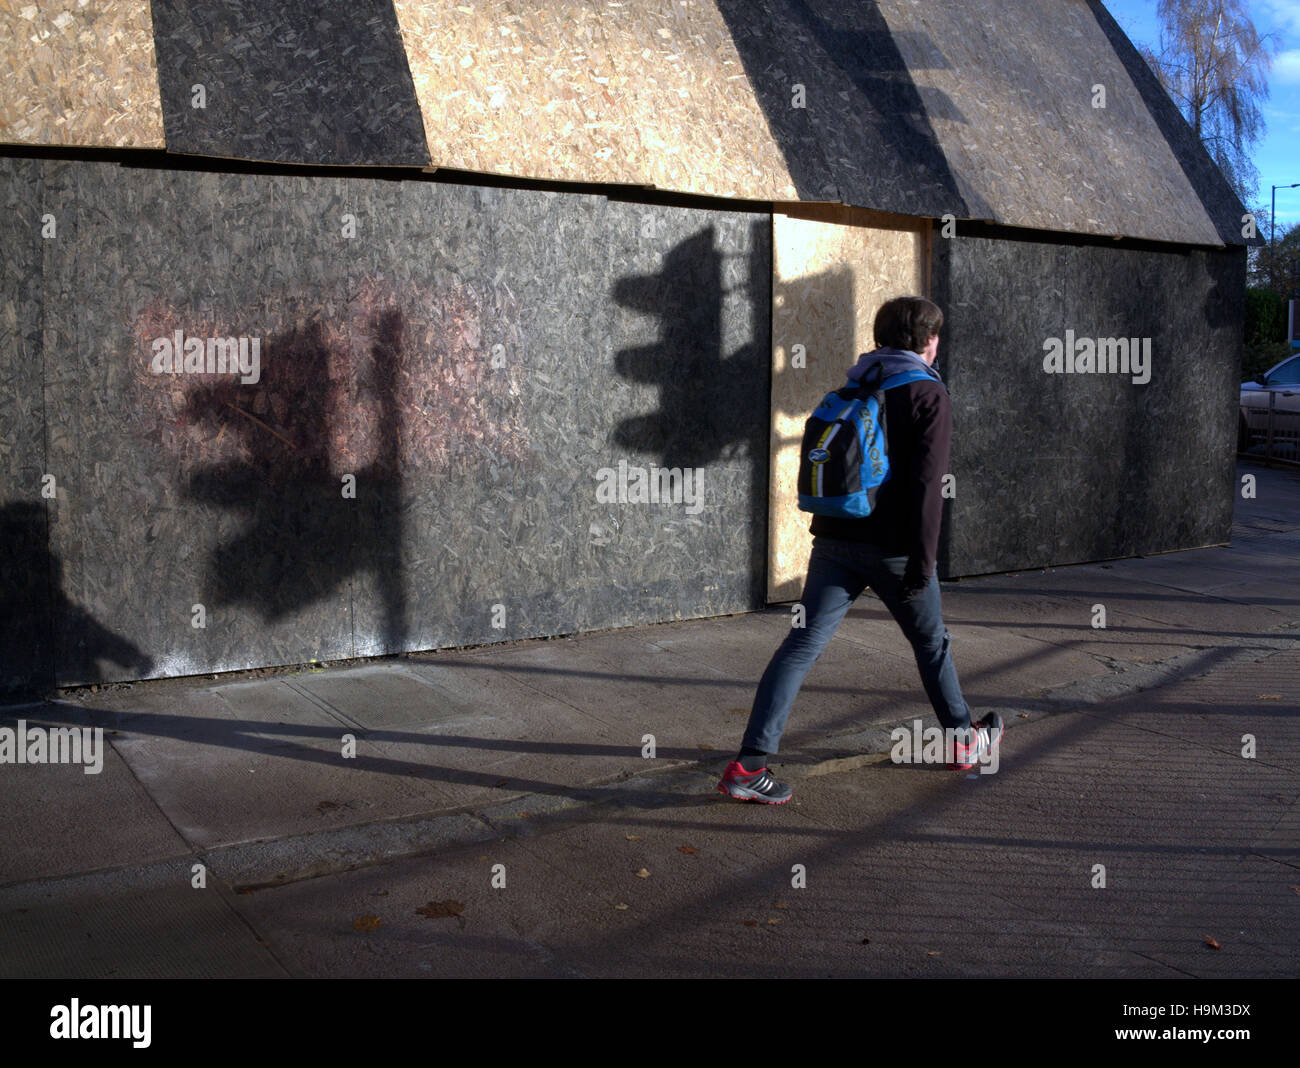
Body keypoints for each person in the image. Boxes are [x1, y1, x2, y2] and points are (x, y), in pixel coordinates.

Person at [717, 296, 1002, 804]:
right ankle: (963, 741)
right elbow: (927, 487)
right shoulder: (927, 394)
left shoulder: (854, 383)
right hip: (894, 549)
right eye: (937, 338)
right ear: (927, 341)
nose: (939, 346)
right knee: (931, 644)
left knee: (800, 647)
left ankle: (748, 766)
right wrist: (924, 562)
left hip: (834, 543)